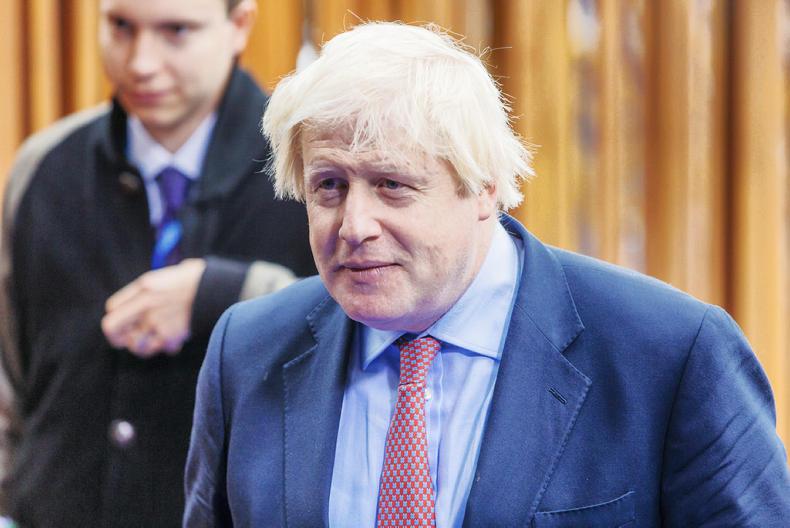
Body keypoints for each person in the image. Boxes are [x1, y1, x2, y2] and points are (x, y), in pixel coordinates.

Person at [184, 21, 790, 527]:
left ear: (484, 187)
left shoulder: (670, 354)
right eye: (329, 186)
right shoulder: (248, 350)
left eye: (391, 184)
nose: (354, 225)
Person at [0, 0, 316, 525]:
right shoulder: (43, 165)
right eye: (121, 26)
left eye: (176, 31)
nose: (141, 63)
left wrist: (228, 295)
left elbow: (363, 340)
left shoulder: (311, 173)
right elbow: (10, 379)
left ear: (240, 26)